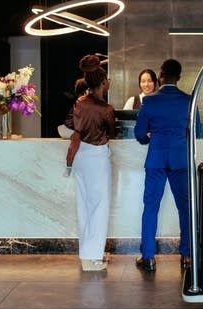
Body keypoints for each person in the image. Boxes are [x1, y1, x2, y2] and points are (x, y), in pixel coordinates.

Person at [134, 59, 201, 272]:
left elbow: (138, 133)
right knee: (185, 209)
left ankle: (148, 257)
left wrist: (149, 139)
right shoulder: (189, 101)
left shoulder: (149, 101)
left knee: (151, 208)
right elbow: (196, 131)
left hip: (156, 161)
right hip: (180, 160)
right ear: (179, 77)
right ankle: (187, 256)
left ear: (160, 76)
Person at [66, 54, 116, 271]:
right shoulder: (106, 109)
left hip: (80, 158)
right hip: (97, 157)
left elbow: (70, 124)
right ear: (103, 82)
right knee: (99, 207)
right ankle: (93, 258)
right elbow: (112, 131)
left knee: (84, 205)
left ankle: (86, 255)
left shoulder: (78, 103)